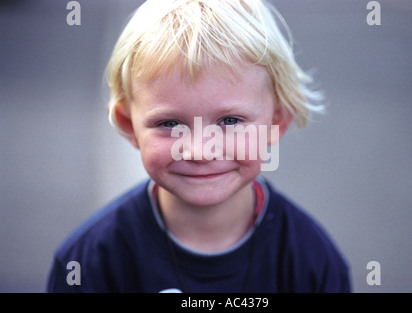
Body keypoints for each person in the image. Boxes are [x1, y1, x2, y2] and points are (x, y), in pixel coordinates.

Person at [47, 0, 351, 293]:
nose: (199, 151)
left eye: (230, 121)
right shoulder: (90, 263)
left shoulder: (311, 262)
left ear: (277, 121)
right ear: (129, 125)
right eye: (169, 124)